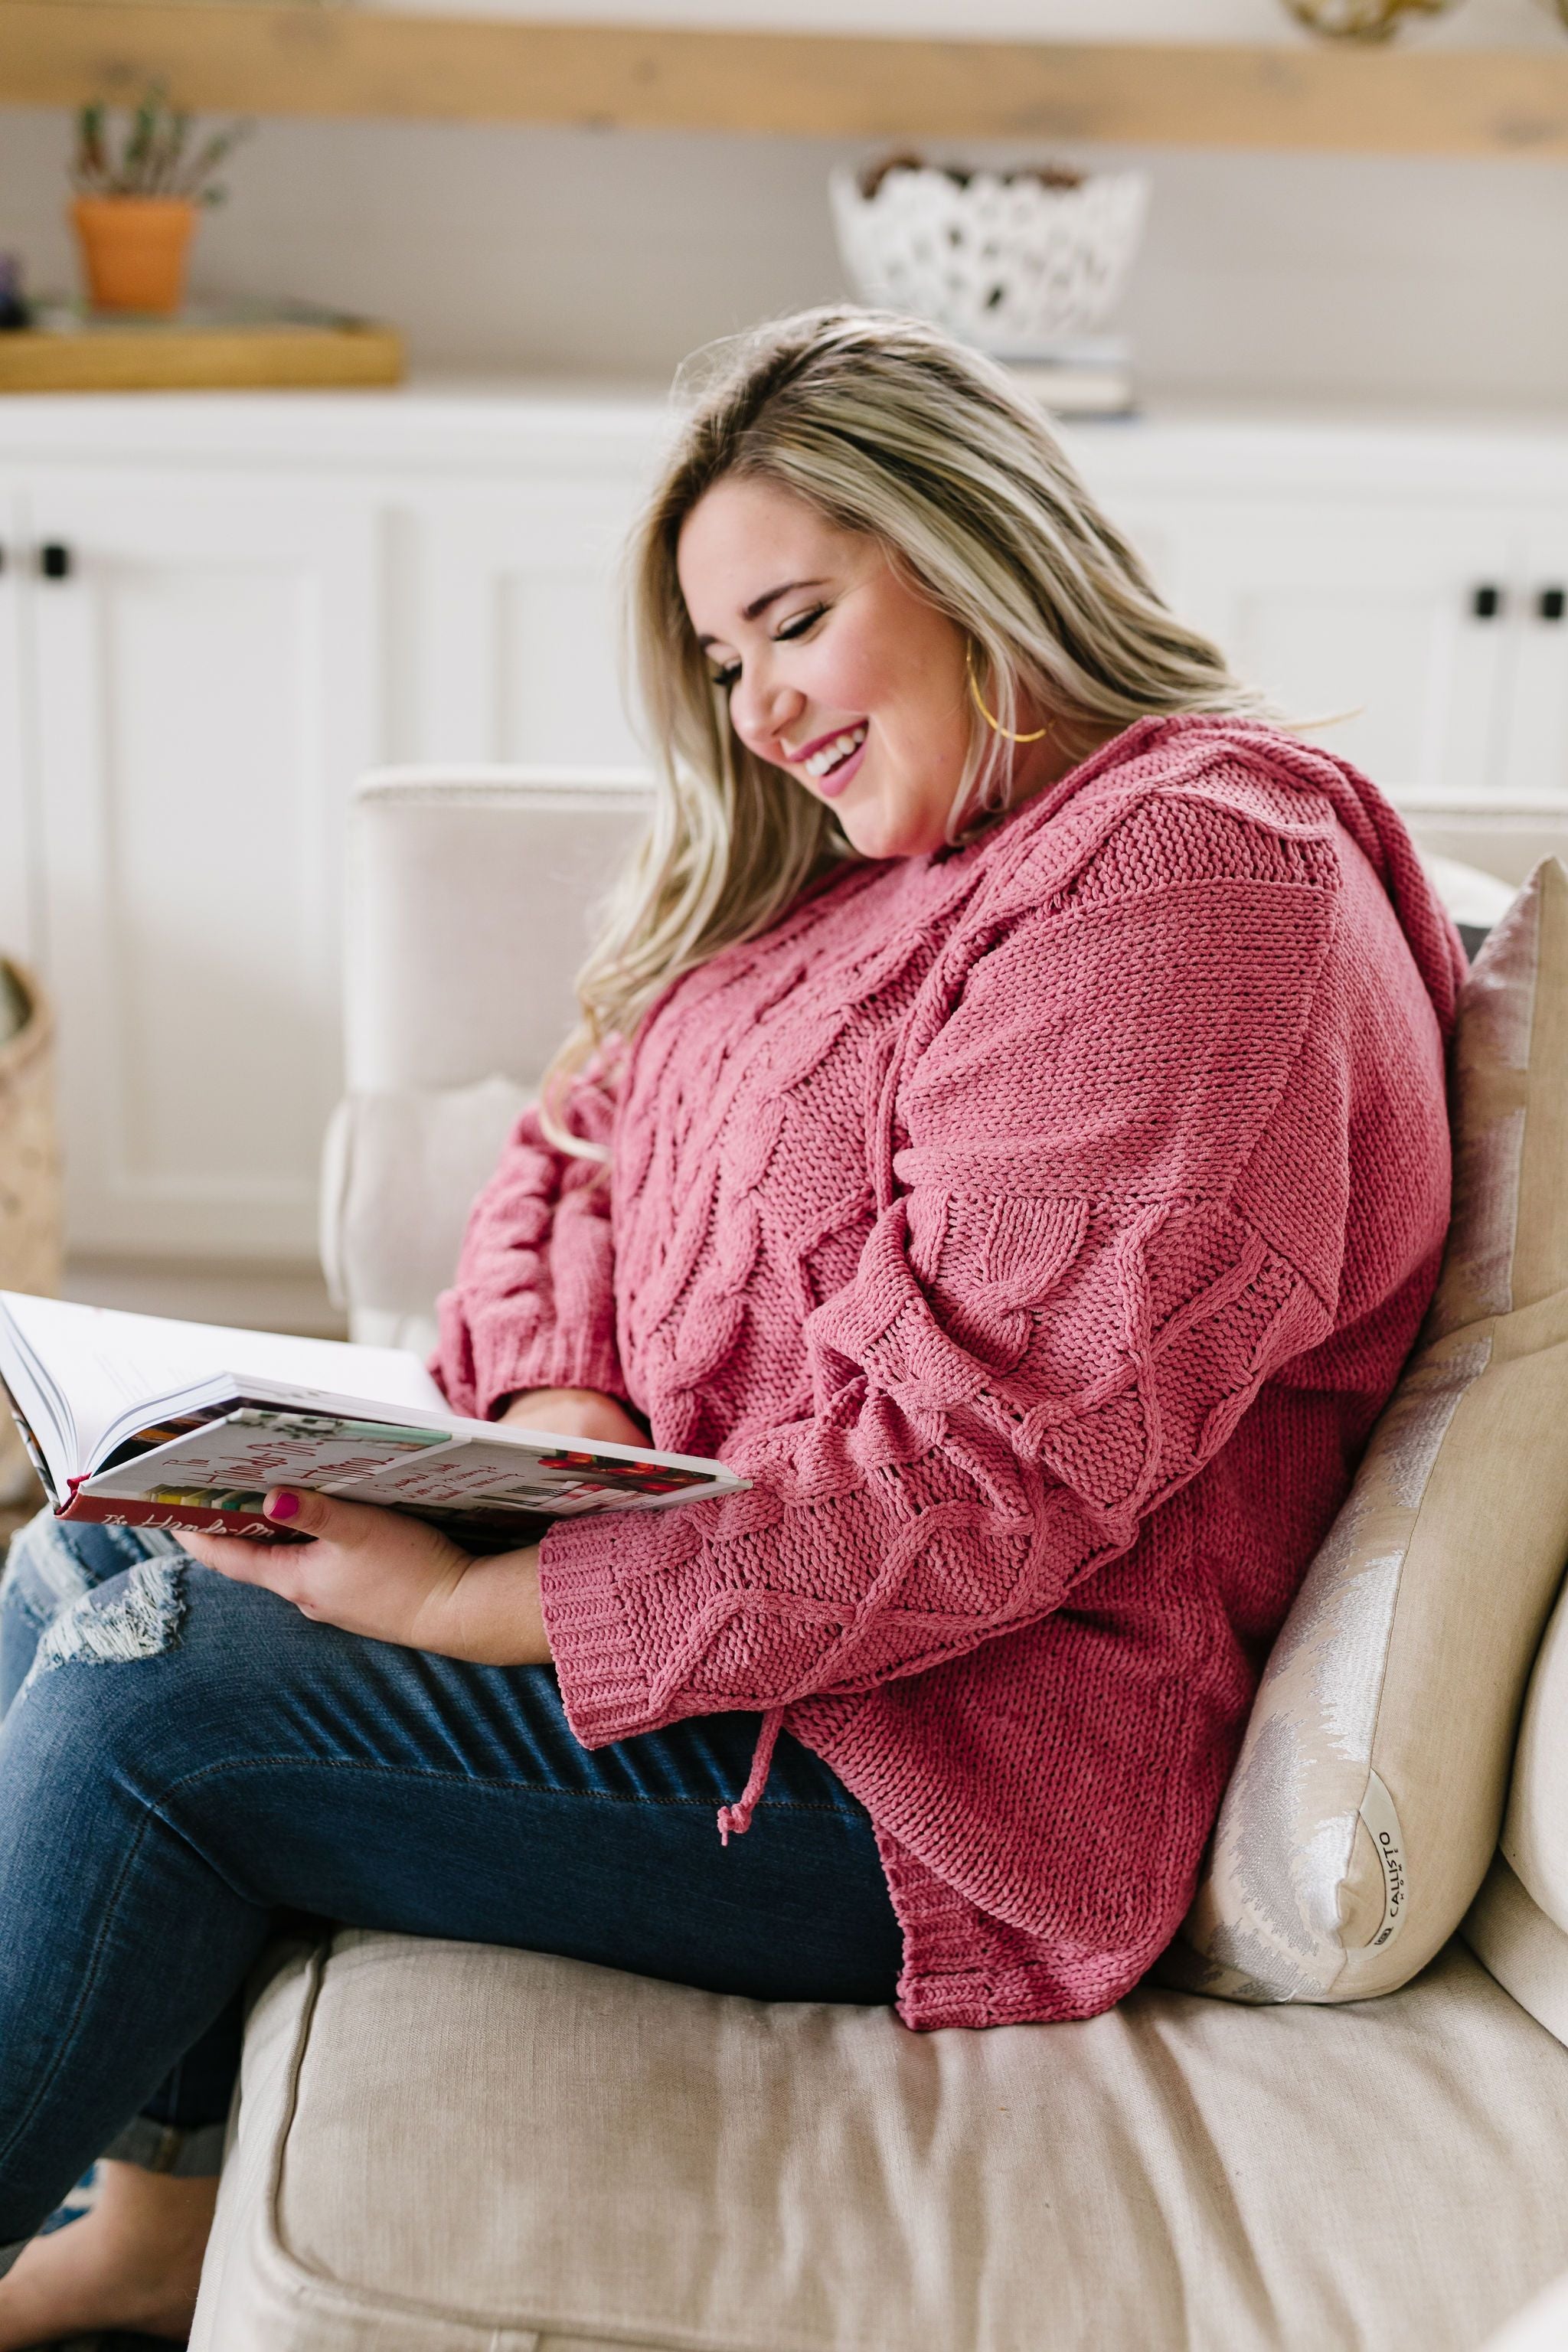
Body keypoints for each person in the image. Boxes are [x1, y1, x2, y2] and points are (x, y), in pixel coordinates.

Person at [0, 306, 1462, 2345]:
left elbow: (974, 1490)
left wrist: (464, 1609)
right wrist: (554, 1418)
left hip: (938, 1772)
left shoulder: (1195, 878)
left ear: (969, 551)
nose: (761, 710)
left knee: (151, 1695)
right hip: (728, 1619)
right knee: (91, 1548)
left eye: (792, 622)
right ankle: (148, 2237)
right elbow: (572, 1146)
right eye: (723, 661)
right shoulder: (868, 875)